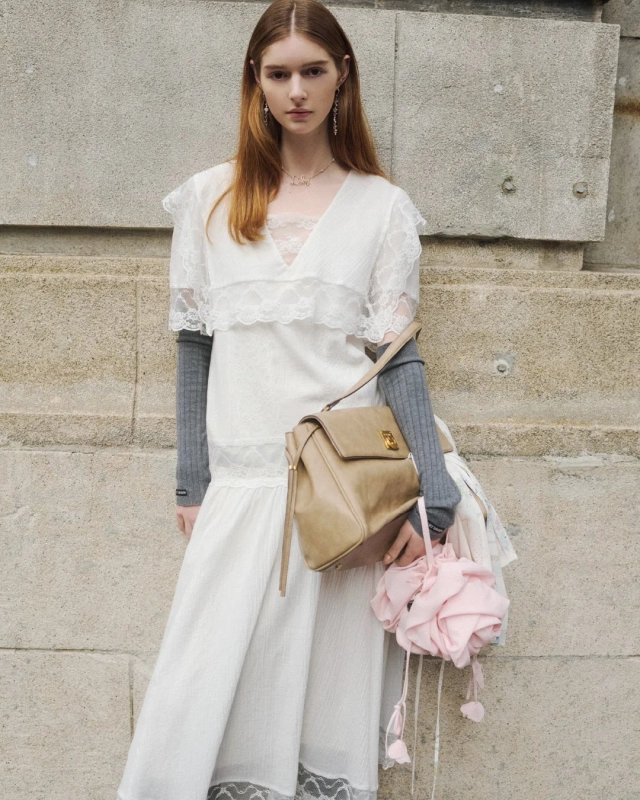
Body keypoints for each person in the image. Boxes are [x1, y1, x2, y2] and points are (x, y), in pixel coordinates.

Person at [116, 1, 461, 798]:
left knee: (316, 708)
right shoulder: (208, 199)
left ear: (343, 78)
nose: (297, 90)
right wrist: (190, 483)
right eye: (279, 73)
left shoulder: (382, 208)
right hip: (239, 491)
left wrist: (431, 502)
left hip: (342, 503)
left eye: (313, 70)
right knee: (197, 701)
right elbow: (193, 348)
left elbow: (398, 360)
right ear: (256, 83)